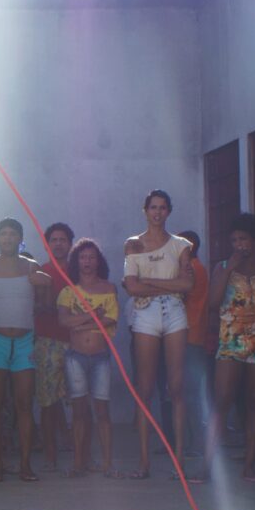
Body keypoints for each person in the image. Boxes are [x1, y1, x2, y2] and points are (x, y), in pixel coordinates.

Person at [206, 214, 255, 482]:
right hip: (230, 339)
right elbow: (213, 303)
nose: (238, 244)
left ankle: (250, 464)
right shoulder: (222, 268)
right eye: (234, 240)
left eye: (243, 239)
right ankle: (208, 464)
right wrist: (230, 268)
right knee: (222, 400)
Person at [0, 218, 52, 482]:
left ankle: (26, 465)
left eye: (12, 234)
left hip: (24, 341)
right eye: (3, 234)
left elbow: (45, 305)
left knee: (24, 404)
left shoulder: (31, 267)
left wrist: (45, 283)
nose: (7, 238)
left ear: (20, 238)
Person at [123, 190, 194, 476]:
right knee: (145, 389)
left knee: (176, 388)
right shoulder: (133, 243)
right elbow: (131, 287)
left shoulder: (181, 245)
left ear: (168, 211)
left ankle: (179, 459)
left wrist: (148, 281)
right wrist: (170, 283)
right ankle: (143, 461)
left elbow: (187, 285)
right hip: (145, 311)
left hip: (174, 310)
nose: (157, 212)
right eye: (153, 207)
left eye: (163, 207)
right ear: (145, 210)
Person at [59, 238, 120, 477]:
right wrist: (94, 315)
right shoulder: (67, 290)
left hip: (101, 357)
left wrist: (81, 322)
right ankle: (78, 463)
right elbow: (64, 321)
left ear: (98, 261)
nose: (87, 261)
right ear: (77, 261)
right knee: (78, 411)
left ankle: (107, 462)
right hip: (75, 358)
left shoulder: (109, 288)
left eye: (92, 257)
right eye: (83, 257)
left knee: (102, 411)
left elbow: (111, 319)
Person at [31, 221, 76, 471]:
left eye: (63, 239)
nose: (58, 244)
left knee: (79, 399)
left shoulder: (80, 271)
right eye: (54, 240)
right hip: (47, 340)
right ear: (47, 245)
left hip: (76, 341)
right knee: (47, 401)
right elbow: (34, 306)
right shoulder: (40, 272)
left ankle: (81, 454)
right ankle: (50, 455)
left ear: (70, 244)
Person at [180, 227, 215, 460]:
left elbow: (180, 295)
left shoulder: (191, 269)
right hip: (196, 336)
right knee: (193, 393)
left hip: (189, 337)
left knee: (190, 395)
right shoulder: (199, 268)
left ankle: (197, 442)